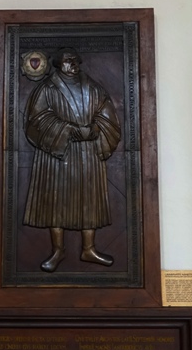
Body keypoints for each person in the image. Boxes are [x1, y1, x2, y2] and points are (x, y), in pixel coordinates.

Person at [23, 47, 121, 272]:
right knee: (56, 201)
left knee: (90, 200)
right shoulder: (47, 89)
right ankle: (58, 250)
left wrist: (95, 128)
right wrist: (68, 130)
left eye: (75, 60)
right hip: (57, 154)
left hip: (88, 153)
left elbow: (107, 115)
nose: (73, 64)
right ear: (59, 64)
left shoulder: (93, 88)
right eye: (68, 61)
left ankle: (89, 249)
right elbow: (37, 118)